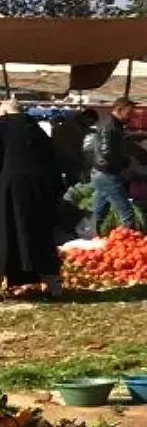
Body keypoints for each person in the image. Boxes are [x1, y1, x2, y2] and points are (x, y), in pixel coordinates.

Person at [0, 100, 63, 296]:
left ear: (4, 112)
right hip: (40, 188)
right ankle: (53, 285)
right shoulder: (37, 130)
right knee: (39, 234)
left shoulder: (3, 127)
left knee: (6, 233)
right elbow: (53, 160)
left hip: (10, 188)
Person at [90, 97, 138, 233]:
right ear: (120, 110)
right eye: (129, 114)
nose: (131, 117)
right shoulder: (109, 125)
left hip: (102, 172)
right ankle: (129, 243)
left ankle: (92, 238)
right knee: (126, 212)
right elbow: (107, 152)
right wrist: (124, 163)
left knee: (99, 211)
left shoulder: (113, 125)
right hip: (107, 173)